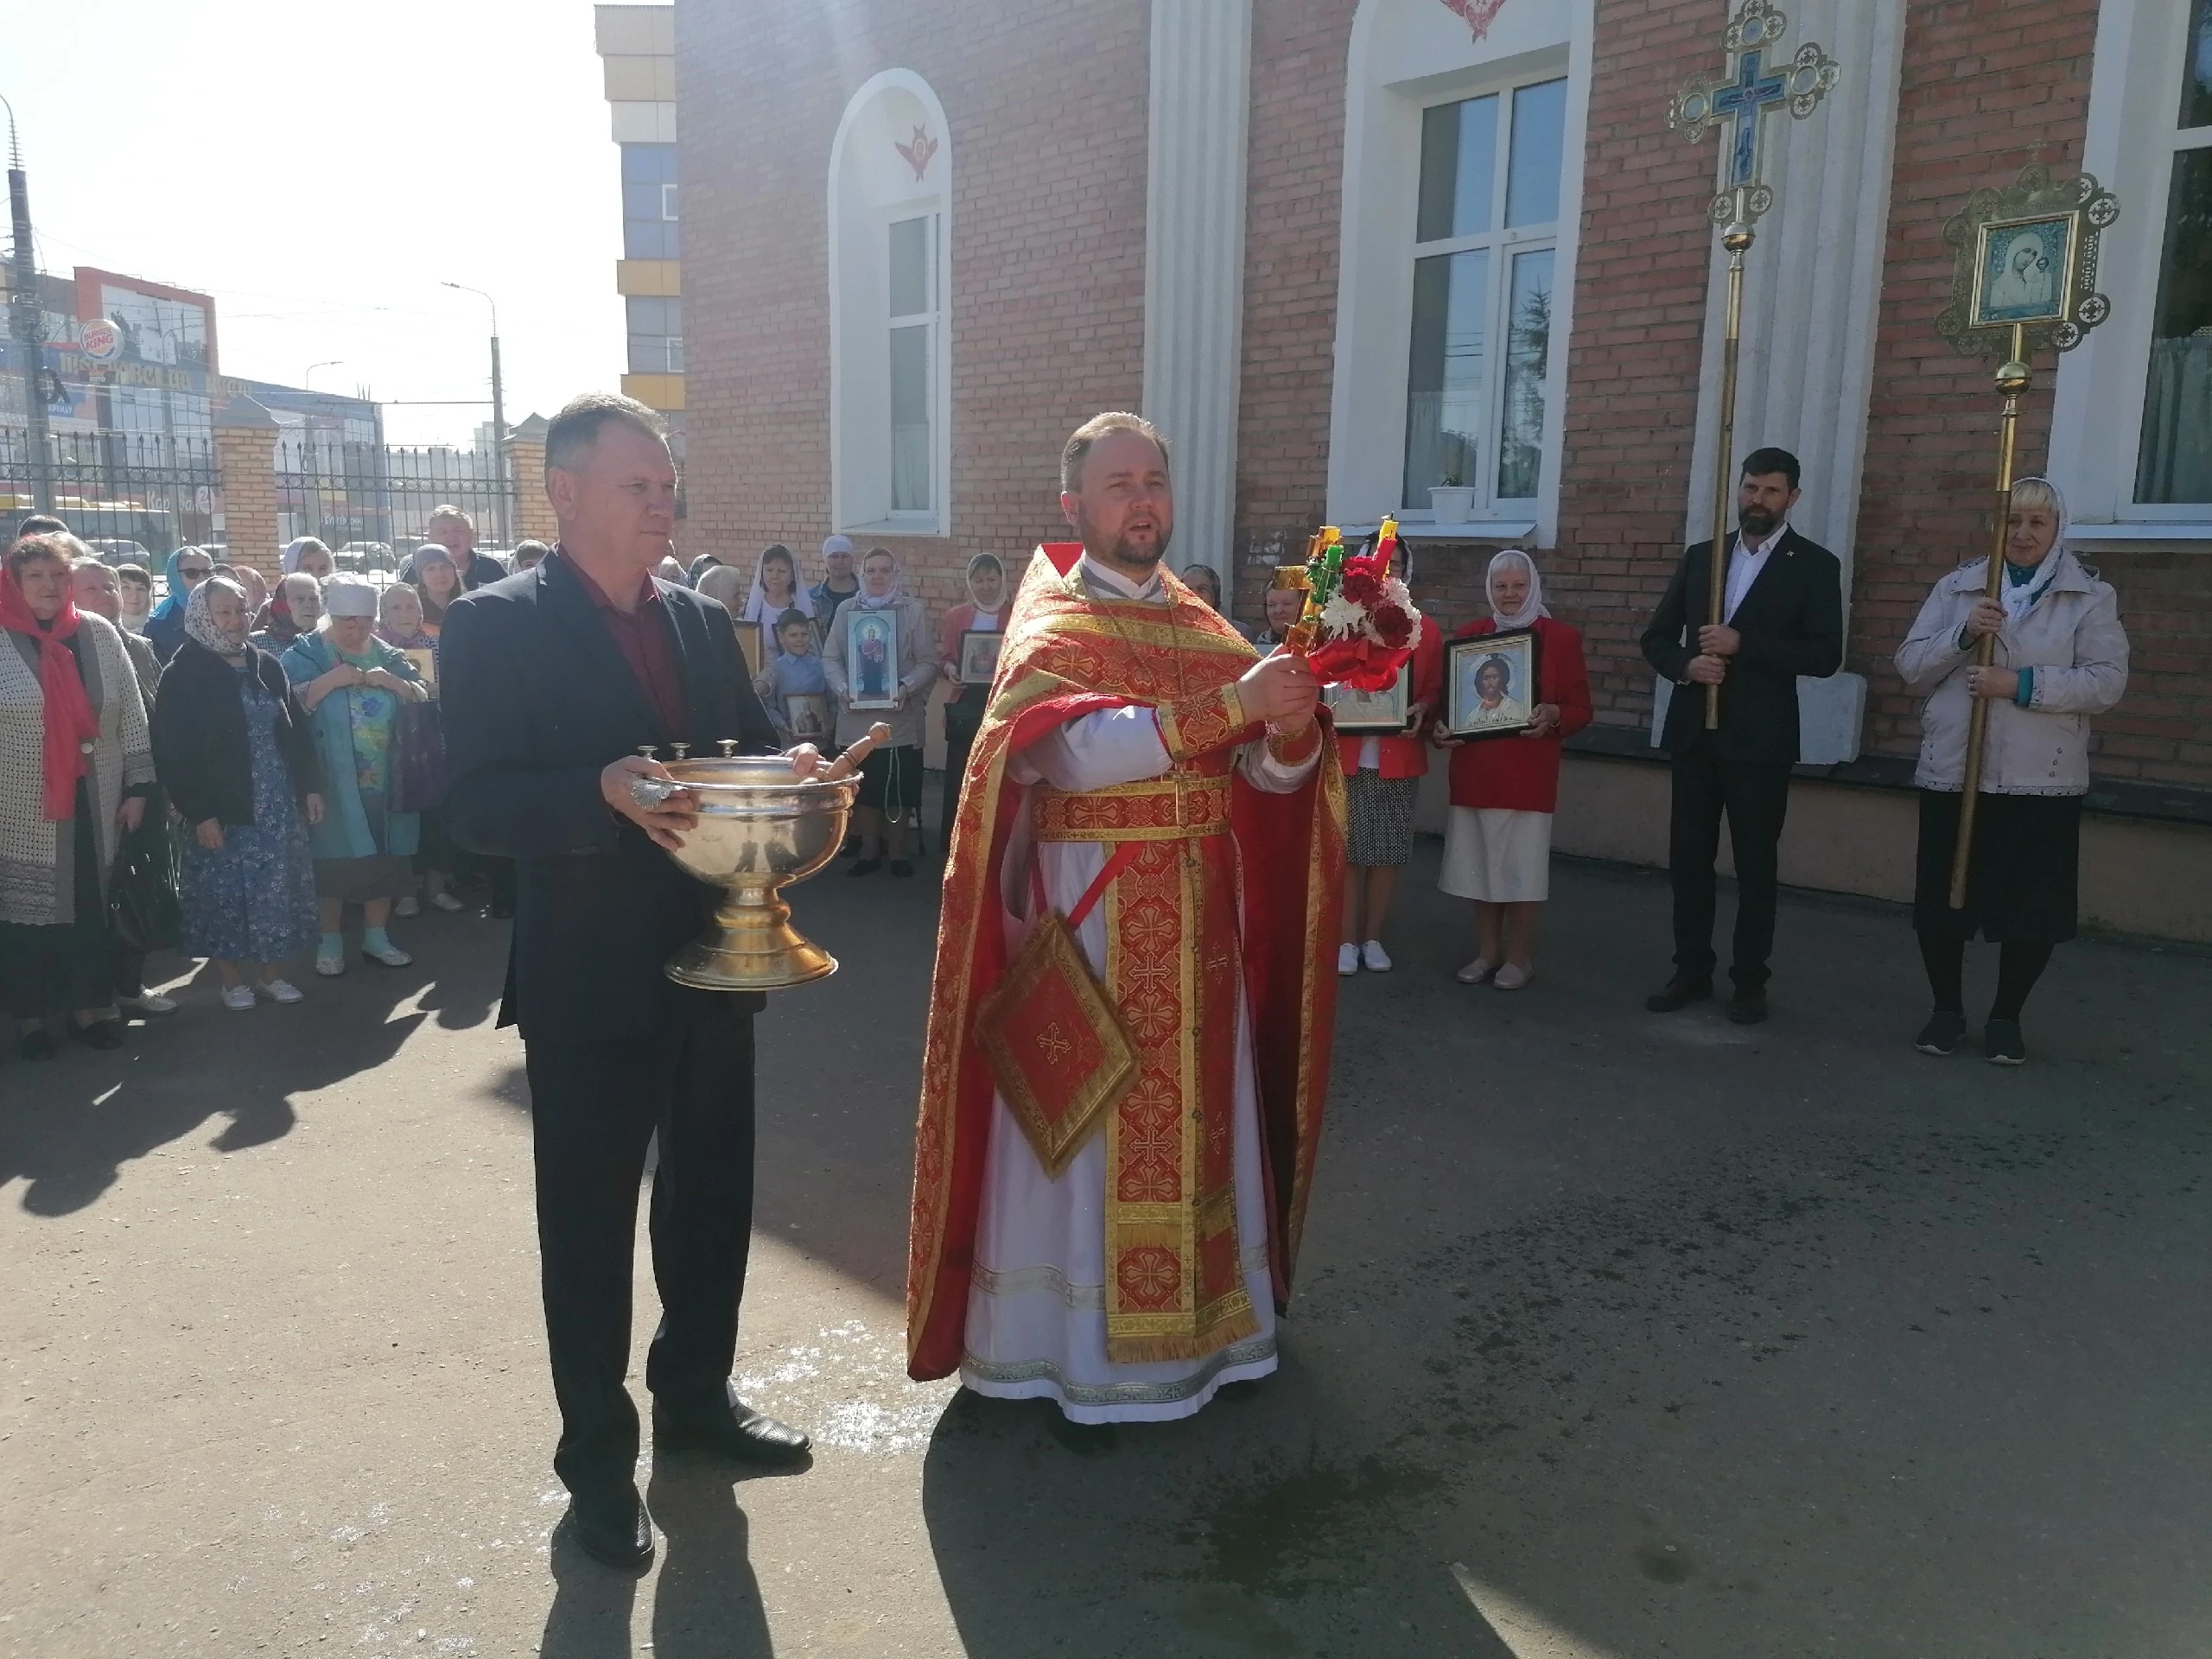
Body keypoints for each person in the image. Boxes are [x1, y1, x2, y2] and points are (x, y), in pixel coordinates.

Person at [905, 410, 1342, 1427]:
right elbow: (1074, 754)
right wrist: (1237, 706)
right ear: (1075, 506)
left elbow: (1265, 784)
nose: (1141, 500)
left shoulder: (1204, 630)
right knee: (1078, 1143)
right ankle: (1056, 1355)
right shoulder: (1051, 622)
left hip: (1197, 936)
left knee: (1201, 1129)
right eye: (1117, 485)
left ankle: (1214, 1341)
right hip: (1089, 931)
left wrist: (1287, 736)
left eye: (1153, 481)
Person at [439, 391, 815, 1573]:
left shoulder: (702, 620)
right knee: (589, 1233)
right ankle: (598, 1467)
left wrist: (790, 767)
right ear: (561, 491)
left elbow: (747, 748)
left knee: (710, 1202)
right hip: (586, 977)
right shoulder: (493, 625)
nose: (663, 505)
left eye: (668, 487)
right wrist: (590, 791)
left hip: (715, 957)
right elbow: (469, 804)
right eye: (636, 486)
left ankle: (697, 1405)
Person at [1893, 477, 2127, 1065]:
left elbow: (2106, 682)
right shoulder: (1960, 587)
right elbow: (1911, 667)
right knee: (1944, 903)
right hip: (1956, 770)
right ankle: (1946, 1010)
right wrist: (1963, 634)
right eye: (2012, 521)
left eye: (2037, 523)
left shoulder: (2088, 597)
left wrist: (2020, 685)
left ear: (2056, 530)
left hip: (2039, 778)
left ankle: (2006, 1017)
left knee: (2030, 910)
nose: (2022, 534)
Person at [1638, 446, 1842, 1024]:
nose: (1759, 500)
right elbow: (1656, 638)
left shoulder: (1814, 565)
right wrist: (1685, 666)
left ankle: (1750, 979)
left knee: (1755, 864)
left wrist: (1743, 645)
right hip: (1695, 738)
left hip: (1761, 740)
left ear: (1792, 497)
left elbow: (1827, 654)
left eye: (1772, 491)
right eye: (1751, 489)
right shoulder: (1704, 557)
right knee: (1689, 859)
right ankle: (1691, 969)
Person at [0, 534, 155, 1058]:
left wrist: (138, 787)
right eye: (35, 577)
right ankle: (34, 1021)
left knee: (90, 910)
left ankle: (91, 1010)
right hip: (20, 813)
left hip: (95, 803)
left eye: (57, 576)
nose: (48, 586)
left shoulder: (99, 634)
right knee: (28, 919)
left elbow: (131, 716)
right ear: (14, 584)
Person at [150, 578, 324, 1010]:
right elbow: (174, 753)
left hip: (275, 803)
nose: (234, 620)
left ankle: (271, 976)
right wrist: (201, 814)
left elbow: (296, 732)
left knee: (276, 891)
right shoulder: (183, 673)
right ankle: (231, 980)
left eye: (241, 610)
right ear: (202, 616)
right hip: (223, 809)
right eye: (223, 612)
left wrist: (310, 787)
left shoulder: (265, 663)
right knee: (223, 895)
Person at [1435, 551, 1592, 988]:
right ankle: (1487, 953)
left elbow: (1582, 708)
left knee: (1521, 871)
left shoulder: (1560, 639)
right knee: (1480, 869)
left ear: (1533, 586)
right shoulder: (1470, 638)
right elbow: (1448, 707)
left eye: (1518, 586)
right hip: (1476, 773)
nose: (1510, 595)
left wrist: (1556, 712)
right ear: (1490, 589)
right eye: (1501, 586)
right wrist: (1442, 729)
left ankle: (1519, 959)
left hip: (1528, 775)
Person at [282, 575, 428, 977]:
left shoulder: (386, 652)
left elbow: (424, 691)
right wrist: (332, 680)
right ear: (332, 615)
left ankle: (376, 937)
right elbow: (285, 706)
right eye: (348, 620)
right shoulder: (308, 653)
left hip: (388, 777)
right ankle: (329, 942)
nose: (357, 629)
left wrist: (395, 682)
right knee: (334, 863)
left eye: (365, 620)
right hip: (333, 781)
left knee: (386, 857)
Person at [72, 553, 175, 1019]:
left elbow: (156, 714)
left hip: (143, 784)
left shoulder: (137, 645)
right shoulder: (68, 649)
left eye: (109, 587)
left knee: (138, 890)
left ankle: (131, 986)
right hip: (90, 791)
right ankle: (91, 995)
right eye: (91, 589)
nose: (106, 596)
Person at [1335, 550, 1443, 976]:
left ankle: (1373, 937)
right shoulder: (1341, 621)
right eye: (1380, 563)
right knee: (1346, 852)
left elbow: (1433, 690)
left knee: (1385, 851)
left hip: (1396, 756)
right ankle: (1345, 939)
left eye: (1396, 563)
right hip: (1346, 755)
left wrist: (1423, 707)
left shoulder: (1425, 629)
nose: (1388, 570)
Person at [823, 547, 932, 876]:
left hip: (898, 718)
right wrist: (844, 688)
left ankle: (897, 853)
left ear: (895, 574)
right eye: (871, 571)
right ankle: (869, 853)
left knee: (897, 789)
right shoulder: (846, 611)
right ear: (863, 574)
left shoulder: (912, 611)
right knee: (865, 791)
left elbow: (929, 662)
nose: (877, 577)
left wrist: (906, 686)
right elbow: (831, 659)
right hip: (857, 718)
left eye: (885, 570)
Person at [375, 584, 465, 921]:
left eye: (410, 607)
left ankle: (437, 888)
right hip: (391, 747)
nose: (404, 614)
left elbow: (454, 688)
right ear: (384, 614)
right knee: (402, 819)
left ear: (420, 612)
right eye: (395, 608)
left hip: (433, 743)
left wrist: (435, 690)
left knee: (437, 816)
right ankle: (406, 892)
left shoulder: (435, 646)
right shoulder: (376, 650)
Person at [935, 553, 1007, 855]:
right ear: (970, 582)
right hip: (966, 701)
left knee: (998, 775)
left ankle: (994, 844)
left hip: (1002, 702)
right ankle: (956, 845)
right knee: (961, 773)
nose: (986, 586)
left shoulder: (1016, 614)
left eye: (991, 579)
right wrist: (952, 671)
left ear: (1002, 579)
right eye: (979, 579)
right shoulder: (957, 616)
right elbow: (947, 658)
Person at [754, 607, 831, 747]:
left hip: (820, 744)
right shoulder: (777, 668)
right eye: (793, 635)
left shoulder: (821, 666)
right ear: (781, 637)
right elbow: (769, 705)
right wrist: (783, 725)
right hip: (789, 743)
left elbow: (831, 701)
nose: (800, 640)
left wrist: (829, 723)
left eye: (804, 634)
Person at [398, 505, 504, 589]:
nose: (450, 538)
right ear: (431, 538)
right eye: (442, 532)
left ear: (472, 535)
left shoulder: (491, 568)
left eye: (458, 531)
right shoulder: (417, 569)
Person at [143, 545, 215, 663]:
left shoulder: (226, 612)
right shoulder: (158, 626)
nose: (202, 579)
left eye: (207, 572)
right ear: (175, 577)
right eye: (192, 573)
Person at [740, 543, 814, 629]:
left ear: (793, 575)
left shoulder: (810, 607)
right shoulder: (745, 607)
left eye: (782, 571)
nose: (775, 576)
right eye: (769, 570)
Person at [1180, 562, 1255, 642]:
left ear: (1214, 597)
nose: (1194, 595)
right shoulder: (1169, 630)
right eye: (1187, 590)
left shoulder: (1239, 632)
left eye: (1202, 589)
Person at [252, 571, 322, 653]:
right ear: (283, 604)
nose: (309, 605)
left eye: (313, 599)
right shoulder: (257, 643)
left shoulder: (326, 641)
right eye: (300, 599)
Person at [412, 544, 463, 638]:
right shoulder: (412, 611)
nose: (440, 574)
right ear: (421, 576)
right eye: (431, 569)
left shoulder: (469, 606)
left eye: (445, 567)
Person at [809, 532, 860, 625]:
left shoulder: (866, 596)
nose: (840, 561)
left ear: (852, 560)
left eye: (845, 556)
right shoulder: (812, 598)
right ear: (825, 560)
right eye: (834, 556)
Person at [1252, 582, 1304, 650]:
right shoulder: (1256, 651)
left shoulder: (1317, 650)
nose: (1278, 611)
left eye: (1286, 604)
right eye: (1272, 605)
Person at [116, 563, 154, 635]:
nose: (135, 596)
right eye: (126, 588)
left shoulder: (162, 626)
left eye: (140, 589)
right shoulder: (104, 628)